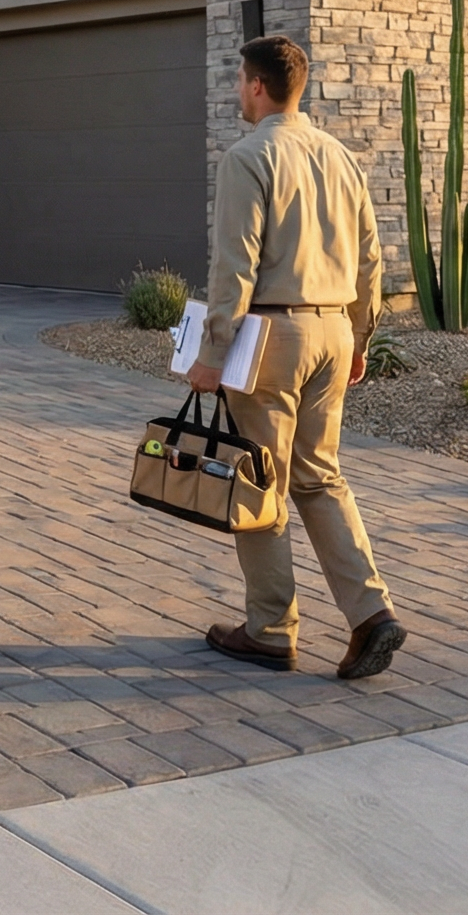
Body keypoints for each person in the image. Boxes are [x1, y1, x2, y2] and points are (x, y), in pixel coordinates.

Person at [185, 34, 407, 680]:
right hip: (335, 331)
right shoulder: (342, 157)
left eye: (238, 82)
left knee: (260, 483)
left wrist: (212, 353)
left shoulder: (247, 157)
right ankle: (372, 614)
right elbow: (372, 258)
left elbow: (235, 268)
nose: (236, 92)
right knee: (320, 477)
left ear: (257, 85)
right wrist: (361, 338)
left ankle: (271, 630)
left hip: (271, 339)